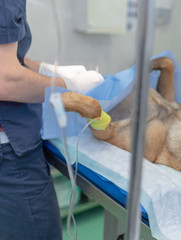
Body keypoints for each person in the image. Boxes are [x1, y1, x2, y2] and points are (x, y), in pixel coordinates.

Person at [0, 1, 103, 239]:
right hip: (9, 154)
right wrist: (68, 87)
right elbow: (6, 79)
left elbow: (8, 58)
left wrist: (44, 70)